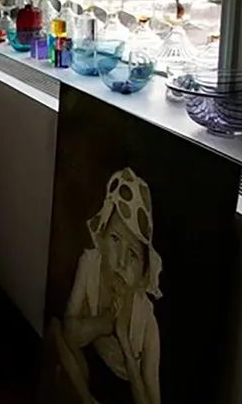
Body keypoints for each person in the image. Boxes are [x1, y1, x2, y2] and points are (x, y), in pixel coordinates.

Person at [51, 167, 163, 404]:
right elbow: (69, 332)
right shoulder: (91, 265)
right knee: (54, 330)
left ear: (144, 273)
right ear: (101, 238)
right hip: (87, 375)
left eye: (132, 254)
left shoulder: (146, 323)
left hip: (124, 392)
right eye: (114, 239)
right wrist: (102, 324)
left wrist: (123, 338)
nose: (121, 261)